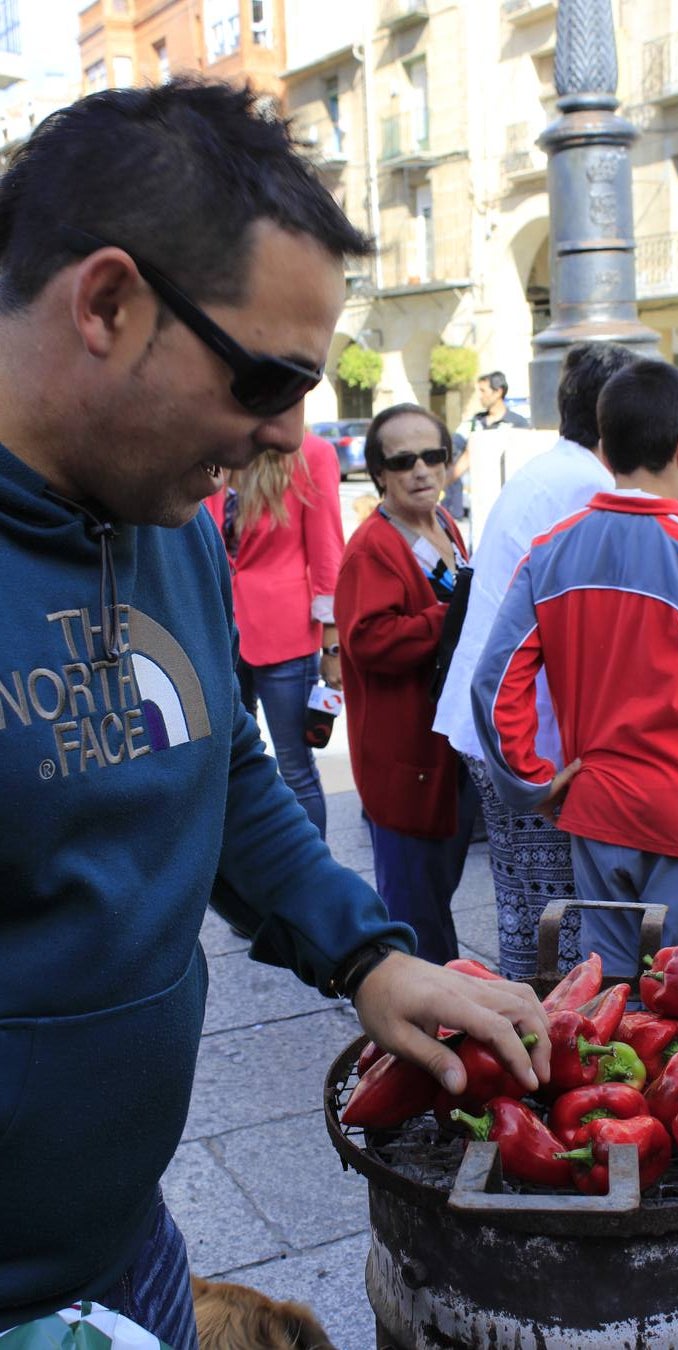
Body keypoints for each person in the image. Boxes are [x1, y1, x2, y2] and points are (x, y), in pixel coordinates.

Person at [0, 81, 551, 1344]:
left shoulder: (167, 524)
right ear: (107, 303)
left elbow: (223, 769)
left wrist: (370, 957)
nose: (288, 434)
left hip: (130, 1249)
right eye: (266, 377)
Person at [472, 360, 678, 982]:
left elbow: (493, 687)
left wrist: (531, 782)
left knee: (614, 1005)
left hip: (600, 815)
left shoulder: (552, 552)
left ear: (603, 446)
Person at [435, 342, 637, 980]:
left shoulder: (556, 470)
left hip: (505, 727)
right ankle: (545, 1050)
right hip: (525, 738)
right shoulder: (585, 486)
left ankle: (531, 1039)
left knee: (530, 907)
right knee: (555, 919)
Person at [334, 404, 478, 965]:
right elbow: (367, 639)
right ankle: (424, 1030)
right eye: (403, 460)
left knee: (435, 898)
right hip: (404, 764)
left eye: (433, 456)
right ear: (379, 474)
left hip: (445, 754)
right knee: (415, 917)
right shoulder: (372, 547)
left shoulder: (445, 525)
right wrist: (453, 617)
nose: (421, 470)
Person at [206, 434, 343, 839]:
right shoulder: (213, 446)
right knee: (229, 765)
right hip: (218, 632)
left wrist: (332, 645)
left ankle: (313, 875)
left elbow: (326, 551)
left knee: (296, 768)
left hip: (285, 634)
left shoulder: (311, 455)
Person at [444, 369, 529, 490]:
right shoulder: (474, 423)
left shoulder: (518, 424)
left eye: (483, 391)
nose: (480, 396)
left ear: (498, 392)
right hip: (477, 496)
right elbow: (453, 445)